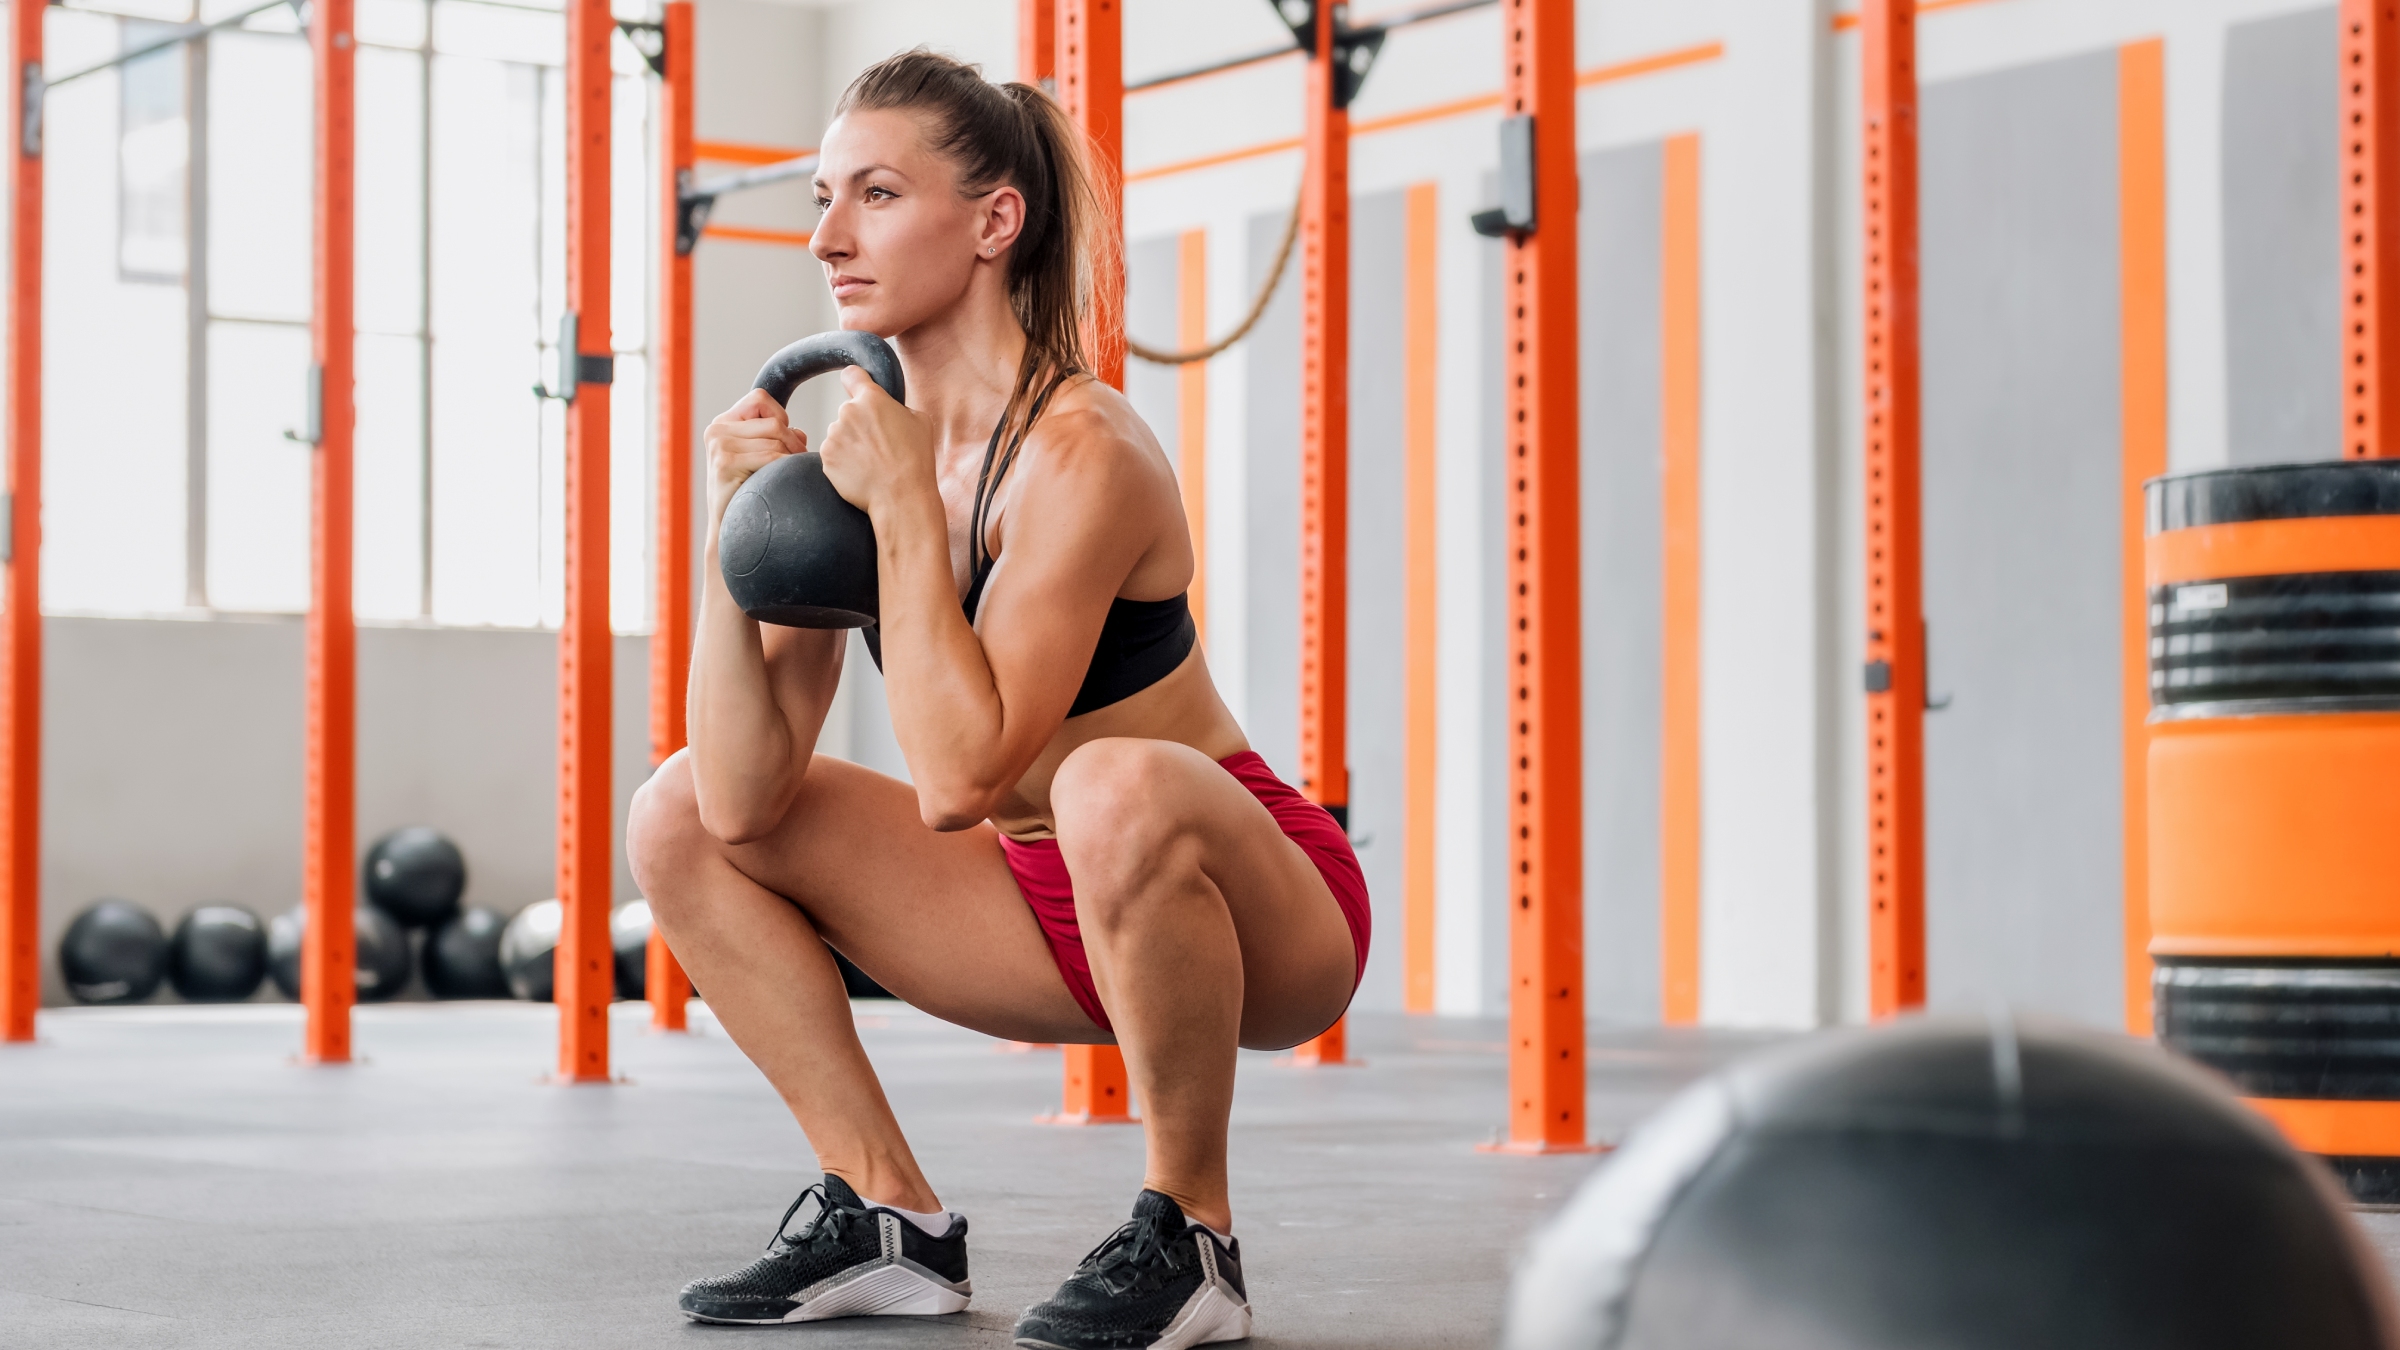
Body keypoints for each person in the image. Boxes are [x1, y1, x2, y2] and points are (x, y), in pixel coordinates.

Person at [625, 48, 1370, 1350]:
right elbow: (745, 798)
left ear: (993, 221)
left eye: (873, 194)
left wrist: (907, 507)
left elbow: (963, 776)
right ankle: (885, 1214)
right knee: (675, 807)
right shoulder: (872, 461)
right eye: (820, 197)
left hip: (1256, 913)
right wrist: (733, 534)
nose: (827, 236)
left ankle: (1193, 1234)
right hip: (1036, 903)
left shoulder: (1083, 452)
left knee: (1108, 775)